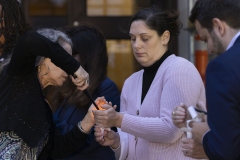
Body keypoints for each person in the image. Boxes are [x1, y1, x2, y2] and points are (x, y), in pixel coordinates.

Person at [93, 6, 206, 160]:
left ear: (165, 37)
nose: (136, 45)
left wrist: (118, 119)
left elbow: (170, 131)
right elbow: (131, 144)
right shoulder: (131, 82)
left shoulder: (180, 69)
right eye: (133, 38)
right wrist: (116, 141)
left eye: (144, 38)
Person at [0, 28, 100, 159]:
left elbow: (54, 150)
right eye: (63, 58)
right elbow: (29, 40)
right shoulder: (19, 77)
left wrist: (88, 120)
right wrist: (75, 67)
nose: (68, 66)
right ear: (44, 59)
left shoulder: (44, 106)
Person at [173, 0, 240, 159]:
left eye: (205, 39)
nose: (209, 49)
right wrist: (212, 118)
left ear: (218, 26)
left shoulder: (222, 67)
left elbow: (225, 150)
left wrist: (205, 135)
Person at [46, 24, 120, 159]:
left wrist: (50, 125)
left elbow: (93, 139)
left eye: (71, 54)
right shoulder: (66, 85)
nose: (65, 60)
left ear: (87, 56)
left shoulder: (106, 87)